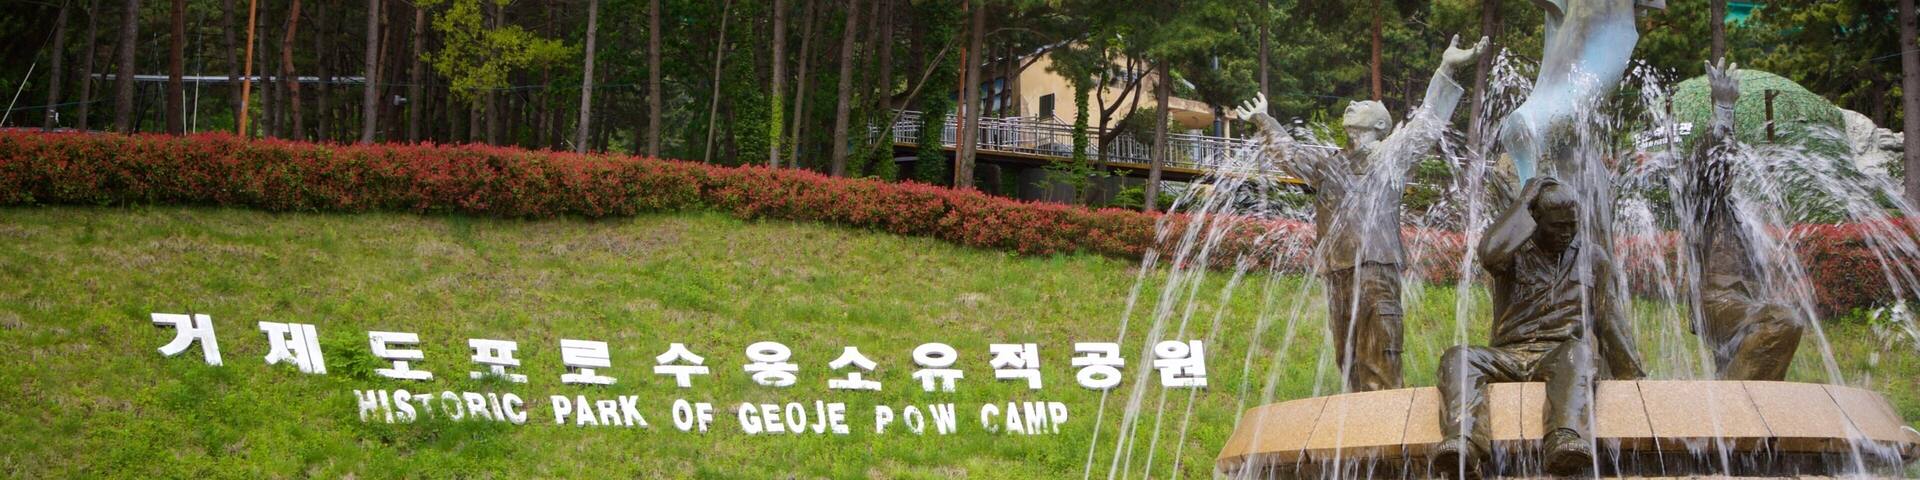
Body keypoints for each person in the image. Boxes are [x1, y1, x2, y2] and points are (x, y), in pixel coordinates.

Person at [1232, 35, 1488, 392]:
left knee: (1380, 360)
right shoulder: (1328, 165)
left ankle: (1387, 437)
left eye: (1364, 104)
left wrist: (1445, 67)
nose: (1352, 103)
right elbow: (1288, 153)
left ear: (1381, 126)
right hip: (1337, 271)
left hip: (1376, 270)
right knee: (1347, 359)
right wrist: (1263, 119)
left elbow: (1427, 122)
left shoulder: (1390, 156)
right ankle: (1355, 439)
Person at [1433, 177, 1646, 477]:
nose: (1566, 233)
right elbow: (1488, 253)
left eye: (1572, 225)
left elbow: (1610, 319)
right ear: (1535, 221)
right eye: (1557, 226)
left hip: (1559, 354)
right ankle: (1463, 441)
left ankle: (1563, 438)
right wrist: (1523, 201)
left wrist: (1634, 379)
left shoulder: (1593, 258)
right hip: (1507, 355)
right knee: (1457, 356)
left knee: (1580, 353)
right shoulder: (1513, 252)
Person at [1684, 60, 1803, 381]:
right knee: (1784, 322)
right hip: (1716, 302)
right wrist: (1724, 109)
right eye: (1723, 166)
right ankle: (1734, 405)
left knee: (1752, 355)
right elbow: (1709, 162)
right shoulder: (1704, 206)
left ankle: (1740, 419)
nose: (1729, 169)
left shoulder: (1740, 210)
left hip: (1743, 300)